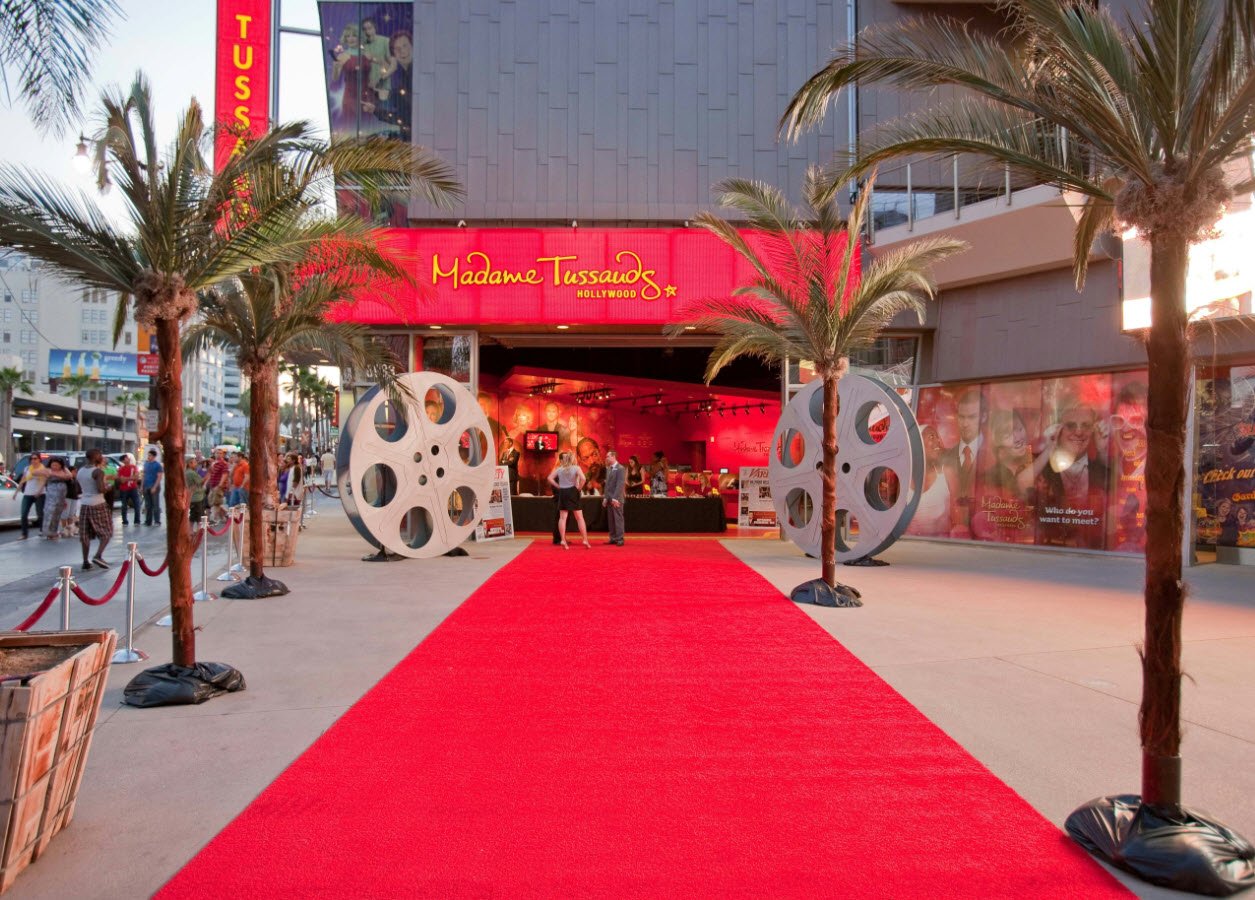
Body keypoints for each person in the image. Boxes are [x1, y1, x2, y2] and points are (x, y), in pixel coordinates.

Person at [547, 451, 590, 549]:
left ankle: (562, 539)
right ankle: (585, 539)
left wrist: (558, 486)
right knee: (579, 518)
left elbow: (549, 478)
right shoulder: (576, 468)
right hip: (573, 492)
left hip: (563, 492)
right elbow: (583, 479)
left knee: (562, 518)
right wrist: (579, 488)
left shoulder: (559, 469)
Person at [77, 449, 112, 571]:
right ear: (97, 458)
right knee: (106, 532)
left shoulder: (81, 471)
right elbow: (100, 489)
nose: (102, 458)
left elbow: (79, 488)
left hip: (85, 504)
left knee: (85, 534)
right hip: (98, 503)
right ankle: (98, 555)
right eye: (100, 456)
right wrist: (109, 487)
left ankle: (85, 561)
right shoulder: (98, 472)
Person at [40, 457, 73, 540]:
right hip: (51, 493)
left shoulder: (63, 470)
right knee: (49, 511)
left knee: (57, 513)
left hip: (61, 494)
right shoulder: (48, 470)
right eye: (53, 465)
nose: (54, 466)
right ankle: (47, 532)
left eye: (57, 465)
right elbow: (36, 472)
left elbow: (69, 476)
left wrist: (56, 473)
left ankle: (53, 532)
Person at [14, 454, 46, 539]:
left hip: (40, 494)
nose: (33, 460)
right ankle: (24, 534)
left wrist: (39, 492)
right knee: (24, 514)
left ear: (39, 459)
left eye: (35, 458)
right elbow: (23, 480)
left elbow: (44, 481)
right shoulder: (27, 468)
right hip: (28, 493)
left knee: (40, 514)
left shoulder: (43, 469)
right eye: (31, 459)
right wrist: (16, 492)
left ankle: (42, 530)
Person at [602, 450, 626, 546]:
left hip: (617, 499)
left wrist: (615, 498)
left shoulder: (621, 468)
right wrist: (605, 498)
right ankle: (613, 538)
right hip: (609, 498)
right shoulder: (609, 468)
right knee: (611, 520)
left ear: (613, 456)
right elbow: (607, 485)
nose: (606, 458)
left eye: (608, 456)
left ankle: (620, 539)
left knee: (618, 519)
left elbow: (620, 484)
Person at [205, 449, 230, 523]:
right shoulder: (214, 463)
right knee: (212, 502)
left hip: (218, 486)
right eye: (217, 453)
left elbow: (225, 474)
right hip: (212, 485)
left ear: (223, 455)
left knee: (216, 502)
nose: (218, 454)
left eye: (220, 453)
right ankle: (225, 515)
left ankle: (214, 518)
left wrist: (220, 485)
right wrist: (206, 483)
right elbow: (210, 474)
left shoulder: (224, 463)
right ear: (214, 454)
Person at [116, 453, 142, 526]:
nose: (128, 458)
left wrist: (126, 478)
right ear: (123, 460)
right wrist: (131, 478)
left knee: (137, 505)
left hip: (133, 488)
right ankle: (125, 521)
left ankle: (137, 521)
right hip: (124, 489)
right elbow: (121, 480)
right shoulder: (121, 469)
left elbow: (136, 477)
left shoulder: (134, 467)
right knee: (124, 506)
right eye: (126, 458)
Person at [142, 448, 163, 526]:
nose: (148, 457)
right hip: (146, 486)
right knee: (148, 505)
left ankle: (157, 521)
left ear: (154, 456)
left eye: (150, 455)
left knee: (155, 505)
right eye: (148, 455)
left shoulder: (157, 465)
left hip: (154, 487)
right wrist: (142, 486)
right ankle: (148, 521)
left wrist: (155, 487)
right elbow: (144, 475)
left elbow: (159, 477)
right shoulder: (146, 464)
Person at [185, 458, 206, 524]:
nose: (196, 464)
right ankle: (196, 530)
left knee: (194, 517)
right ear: (190, 464)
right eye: (194, 462)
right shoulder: (191, 473)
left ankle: (193, 529)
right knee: (197, 518)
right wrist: (208, 474)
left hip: (194, 497)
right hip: (196, 498)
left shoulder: (188, 472)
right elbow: (201, 482)